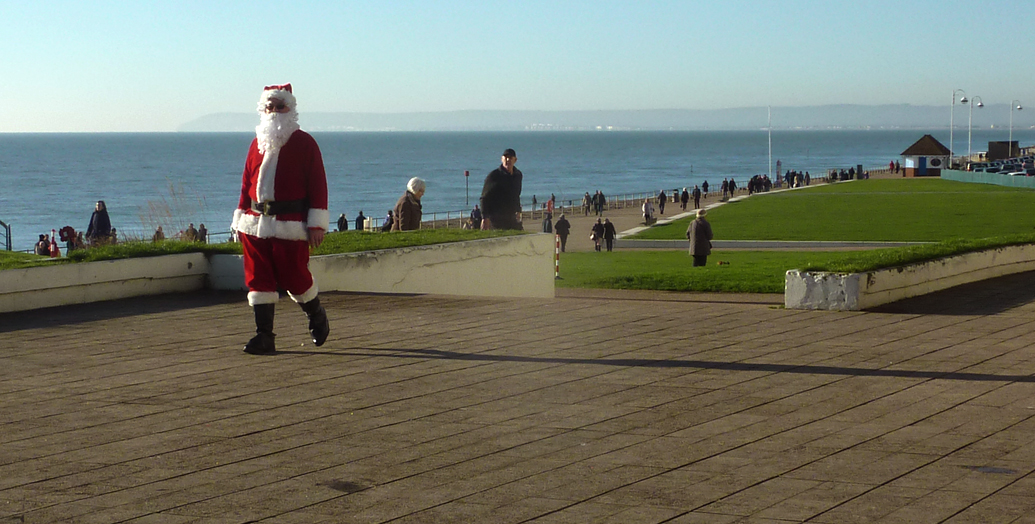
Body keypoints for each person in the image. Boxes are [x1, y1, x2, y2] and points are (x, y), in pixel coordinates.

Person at [230, 83, 330, 355]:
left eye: (280, 107)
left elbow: (318, 185)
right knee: (257, 278)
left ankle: (315, 313)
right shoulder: (256, 144)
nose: (274, 112)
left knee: (294, 276)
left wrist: (316, 224)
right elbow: (245, 184)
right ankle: (264, 336)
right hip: (255, 223)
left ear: (291, 109)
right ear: (263, 110)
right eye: (269, 107)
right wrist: (240, 217)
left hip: (290, 224)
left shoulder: (305, 143)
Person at [480, 148, 523, 230]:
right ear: (501, 159)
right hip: (496, 218)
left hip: (512, 216)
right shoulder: (494, 176)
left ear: (515, 160)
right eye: (505, 157)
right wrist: (485, 218)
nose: (507, 160)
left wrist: (518, 210)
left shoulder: (518, 175)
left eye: (510, 158)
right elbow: (484, 198)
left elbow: (516, 195)